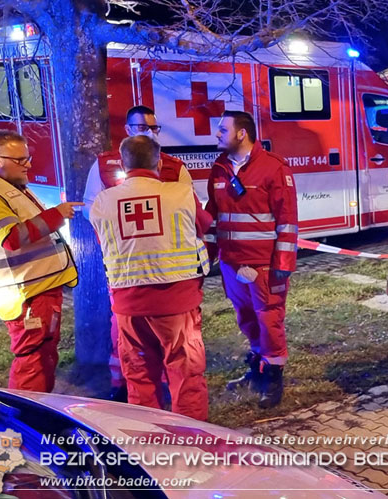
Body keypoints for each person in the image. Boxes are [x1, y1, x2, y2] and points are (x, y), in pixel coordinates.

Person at [89, 135, 210, 420]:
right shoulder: (180, 193)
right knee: (186, 375)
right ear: (159, 161)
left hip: (128, 306)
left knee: (140, 377)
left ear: (121, 163)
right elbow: (204, 226)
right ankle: (193, 442)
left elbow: (103, 241)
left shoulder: (103, 201)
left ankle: (149, 445)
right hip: (176, 301)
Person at [0, 130, 80, 392]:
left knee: (44, 357)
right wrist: (56, 215)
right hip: (24, 294)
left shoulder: (10, 188)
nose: (29, 165)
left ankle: (37, 416)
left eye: (28, 158)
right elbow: (11, 238)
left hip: (38, 290)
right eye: (20, 160)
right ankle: (22, 424)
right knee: (32, 361)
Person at [205, 110, 298, 409]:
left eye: (222, 129)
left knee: (269, 319)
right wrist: (207, 257)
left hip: (264, 265)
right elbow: (214, 216)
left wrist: (283, 264)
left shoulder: (274, 168)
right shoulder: (219, 168)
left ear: (241, 133)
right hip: (231, 264)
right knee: (246, 318)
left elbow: (287, 220)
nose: (217, 134)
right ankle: (258, 366)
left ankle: (273, 376)